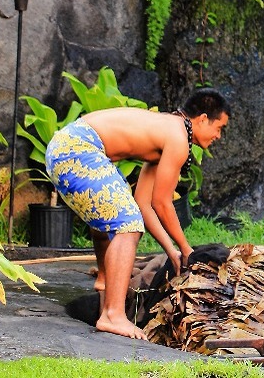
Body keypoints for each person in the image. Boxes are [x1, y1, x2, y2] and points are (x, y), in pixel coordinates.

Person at [45, 88, 230, 340]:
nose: (219, 136)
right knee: (127, 225)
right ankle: (113, 315)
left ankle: (104, 280)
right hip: (77, 148)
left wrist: (172, 252)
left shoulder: (168, 130)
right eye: (219, 128)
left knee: (118, 211)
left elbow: (145, 204)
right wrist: (188, 251)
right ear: (202, 119)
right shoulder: (178, 138)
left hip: (65, 147)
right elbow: (164, 203)